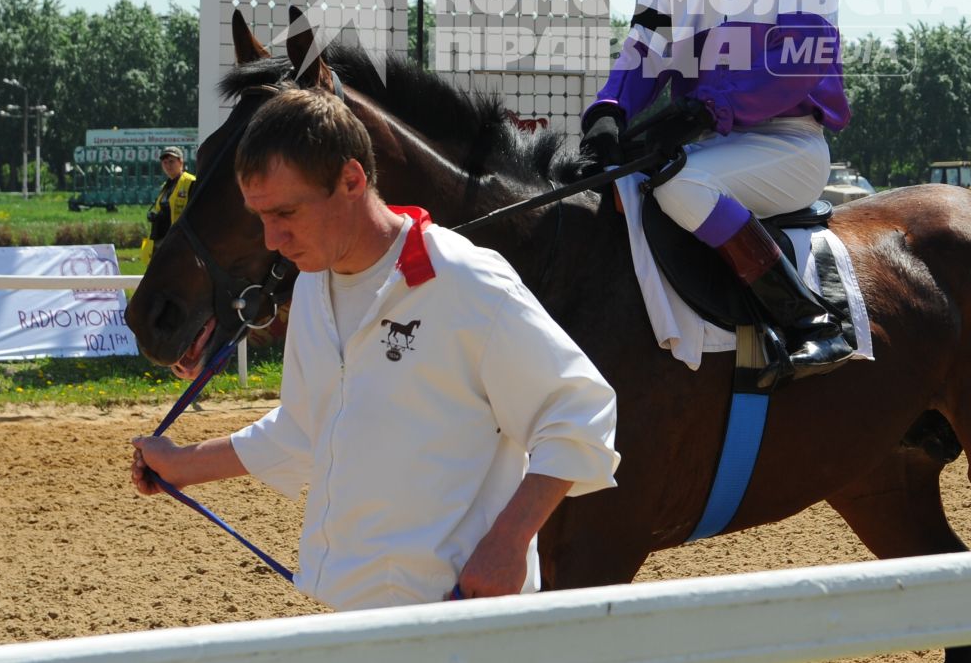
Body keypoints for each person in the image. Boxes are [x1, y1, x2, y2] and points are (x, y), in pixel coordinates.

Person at [130, 87, 618, 610]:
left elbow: (579, 411)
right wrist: (183, 464)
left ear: (352, 180)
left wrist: (509, 541)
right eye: (260, 217)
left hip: (458, 623)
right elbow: (304, 428)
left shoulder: (466, 279)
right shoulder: (314, 284)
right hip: (346, 618)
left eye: (286, 213)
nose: (272, 240)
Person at [575, 0, 853, 385]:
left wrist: (708, 108)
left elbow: (803, 59)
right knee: (606, 193)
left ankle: (809, 321)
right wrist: (611, 109)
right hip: (702, 138)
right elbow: (646, 44)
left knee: (679, 186)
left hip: (786, 144)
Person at [141, 147, 194, 264]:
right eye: (165, 162)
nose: (168, 165)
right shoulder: (166, 185)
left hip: (180, 239)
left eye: (171, 161)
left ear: (181, 162)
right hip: (162, 238)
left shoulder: (190, 182)